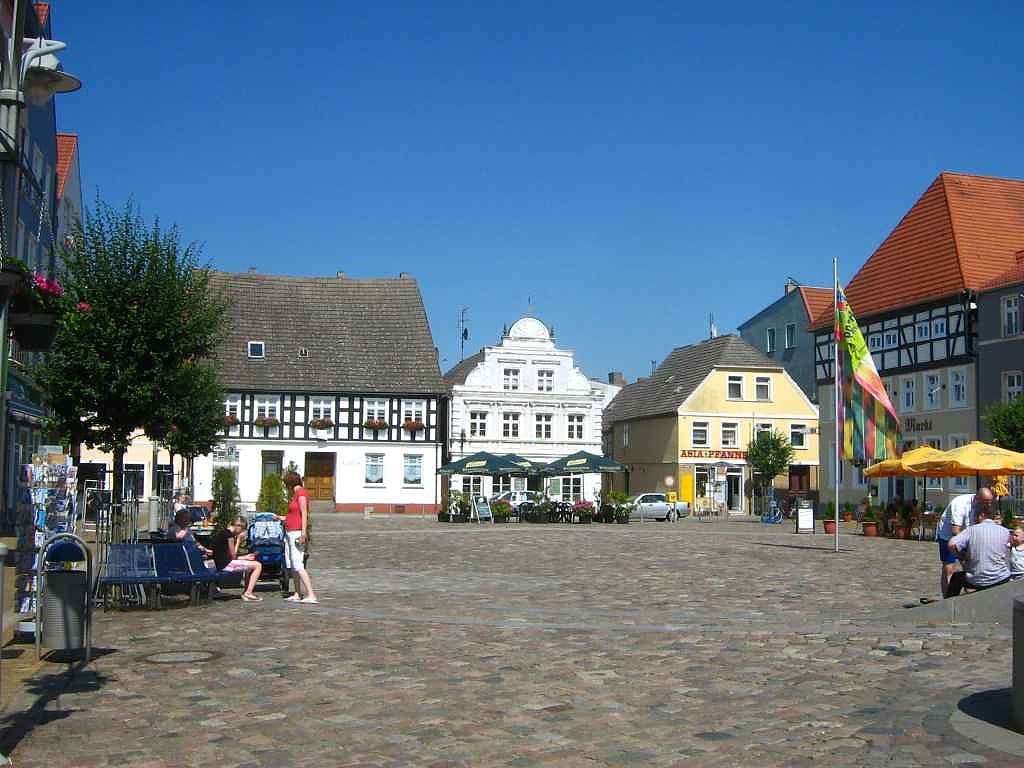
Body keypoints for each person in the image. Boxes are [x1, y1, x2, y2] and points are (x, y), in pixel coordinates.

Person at [945, 495, 1010, 597]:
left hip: (978, 579)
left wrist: (961, 556)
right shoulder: (1005, 531)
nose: (974, 518)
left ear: (981, 515)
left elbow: (951, 544)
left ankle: (949, 606)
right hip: (1001, 578)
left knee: (956, 578)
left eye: (975, 515)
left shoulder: (971, 530)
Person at [937, 487, 993, 597]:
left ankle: (970, 597)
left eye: (990, 502)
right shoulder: (960, 503)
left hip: (966, 536)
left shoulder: (983, 505)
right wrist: (963, 553)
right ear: (977, 498)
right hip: (948, 535)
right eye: (986, 502)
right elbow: (955, 531)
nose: (988, 505)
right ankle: (948, 598)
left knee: (970, 568)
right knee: (949, 568)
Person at [280, 471, 318, 604]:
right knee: (292, 564)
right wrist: (281, 518)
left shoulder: (301, 493)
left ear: (290, 483)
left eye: (286, 483)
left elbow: (304, 513)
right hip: (290, 531)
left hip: (296, 533)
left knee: (298, 563)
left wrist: (303, 533)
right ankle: (297, 593)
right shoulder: (295, 494)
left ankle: (311, 594)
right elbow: (293, 515)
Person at [211, 515, 263, 601]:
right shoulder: (229, 536)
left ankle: (247, 592)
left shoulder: (224, 532)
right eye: (243, 529)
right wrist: (238, 539)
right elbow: (233, 556)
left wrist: (245, 557)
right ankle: (248, 593)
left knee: (250, 567)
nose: (242, 532)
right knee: (258, 565)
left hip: (223, 563)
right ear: (239, 526)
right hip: (226, 565)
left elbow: (228, 556)